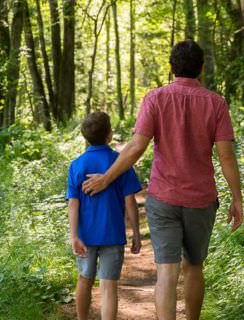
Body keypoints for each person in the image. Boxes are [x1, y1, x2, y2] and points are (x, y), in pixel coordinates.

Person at [81, 40, 244, 320]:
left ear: (171, 67)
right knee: (194, 266)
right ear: (201, 68)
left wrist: (107, 178)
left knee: (166, 272)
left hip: (163, 198)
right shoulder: (216, 103)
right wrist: (237, 199)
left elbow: (136, 147)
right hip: (200, 200)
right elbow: (226, 157)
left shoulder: (155, 98)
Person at [67, 111, 143, 320]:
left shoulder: (77, 165)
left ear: (84, 136)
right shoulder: (120, 162)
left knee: (84, 280)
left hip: (85, 237)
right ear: (109, 136)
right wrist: (136, 233)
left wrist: (74, 235)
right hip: (112, 234)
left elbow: (73, 203)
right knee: (109, 287)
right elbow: (130, 201)